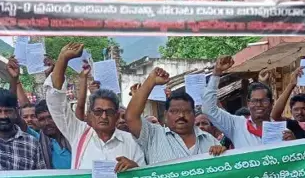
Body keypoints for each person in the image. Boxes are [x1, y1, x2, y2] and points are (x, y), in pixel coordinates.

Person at [45, 43, 145, 171]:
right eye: (98, 111)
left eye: (109, 112)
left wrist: (135, 169)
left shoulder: (130, 142)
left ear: (116, 115)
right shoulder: (79, 133)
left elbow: (145, 174)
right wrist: (63, 59)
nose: (103, 116)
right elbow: (56, 102)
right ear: (90, 115)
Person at [125, 67, 226, 165]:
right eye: (175, 111)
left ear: (194, 114)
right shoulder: (153, 136)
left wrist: (222, 154)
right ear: (165, 115)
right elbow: (131, 117)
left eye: (186, 111)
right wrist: (151, 80)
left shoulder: (210, 141)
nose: (181, 115)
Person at [203, 56, 305, 149]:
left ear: (271, 103)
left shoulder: (282, 132)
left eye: (264, 101)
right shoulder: (236, 125)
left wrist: (293, 145)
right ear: (248, 104)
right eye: (254, 101)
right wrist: (216, 73)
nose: (258, 105)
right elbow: (208, 109)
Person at [35, 100, 72, 169]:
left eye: (51, 117)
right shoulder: (40, 142)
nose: (47, 123)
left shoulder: (74, 138)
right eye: (41, 119)